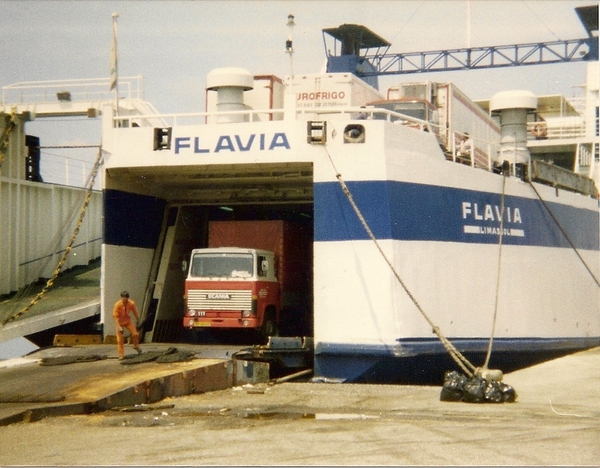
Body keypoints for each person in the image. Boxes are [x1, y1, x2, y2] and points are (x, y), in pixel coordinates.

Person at [112, 290, 142, 360]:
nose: (123, 299)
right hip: (119, 322)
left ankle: (136, 346)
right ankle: (121, 355)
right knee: (120, 340)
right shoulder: (117, 305)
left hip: (128, 321)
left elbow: (135, 312)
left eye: (125, 298)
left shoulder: (131, 303)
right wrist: (119, 327)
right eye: (122, 298)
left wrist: (138, 320)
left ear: (127, 298)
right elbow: (115, 316)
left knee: (135, 334)